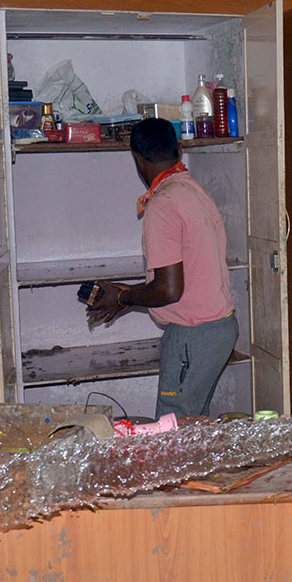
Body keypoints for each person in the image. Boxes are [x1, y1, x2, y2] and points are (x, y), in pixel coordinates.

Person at [86, 118, 237, 419]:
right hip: (219, 329)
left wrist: (123, 298)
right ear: (178, 149)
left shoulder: (163, 204)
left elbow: (168, 289)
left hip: (192, 336)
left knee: (172, 427)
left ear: (138, 159)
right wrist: (125, 296)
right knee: (192, 426)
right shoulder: (190, 189)